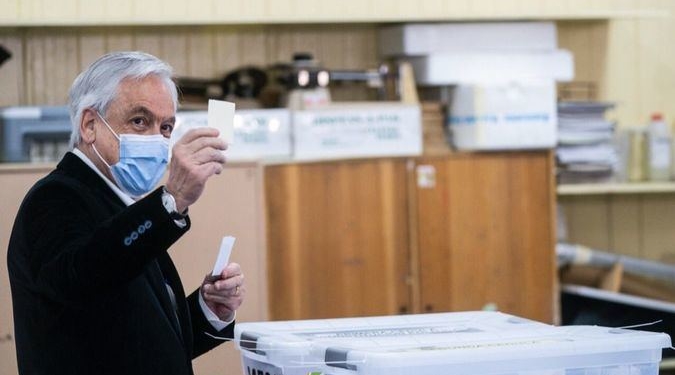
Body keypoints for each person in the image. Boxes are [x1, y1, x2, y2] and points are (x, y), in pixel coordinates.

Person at [6, 51, 245, 375]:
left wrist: (208, 310)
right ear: (90, 125)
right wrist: (171, 200)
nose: (157, 139)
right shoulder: (55, 198)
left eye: (166, 127)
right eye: (139, 121)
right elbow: (82, 279)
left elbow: (141, 340)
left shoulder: (124, 204)